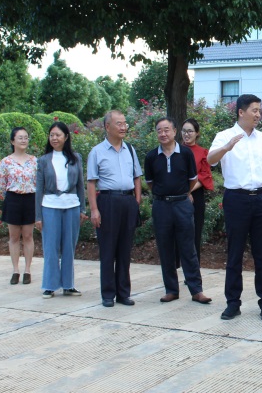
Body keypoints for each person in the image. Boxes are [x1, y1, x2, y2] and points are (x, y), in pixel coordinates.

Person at [208, 94, 262, 322]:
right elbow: (210, 160)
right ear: (241, 112)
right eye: (254, 110)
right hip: (236, 199)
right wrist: (227, 147)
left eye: (259, 110)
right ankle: (233, 303)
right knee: (235, 253)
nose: (258, 115)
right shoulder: (224, 136)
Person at [146, 117, 212, 305]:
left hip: (182, 204)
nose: (163, 134)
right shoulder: (151, 156)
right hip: (161, 206)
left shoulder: (185, 154)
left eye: (166, 129)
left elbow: (193, 180)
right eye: (159, 130)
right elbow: (150, 183)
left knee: (188, 248)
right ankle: (171, 290)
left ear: (174, 131)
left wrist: (182, 194)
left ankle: (196, 290)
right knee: (165, 248)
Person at [86, 110, 143, 308]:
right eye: (119, 123)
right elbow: (91, 183)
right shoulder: (97, 152)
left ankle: (123, 293)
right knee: (108, 250)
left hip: (127, 201)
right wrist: (94, 210)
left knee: (125, 250)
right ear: (107, 126)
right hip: (107, 201)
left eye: (125, 123)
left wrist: (136, 201)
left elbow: (137, 177)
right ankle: (108, 294)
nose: (123, 127)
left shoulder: (130, 149)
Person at [34, 122, 86, 298]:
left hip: (71, 206)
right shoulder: (43, 160)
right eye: (52, 135)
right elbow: (39, 189)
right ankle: (49, 285)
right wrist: (38, 216)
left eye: (58, 135)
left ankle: (68, 285)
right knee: (50, 247)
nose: (54, 138)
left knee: (69, 247)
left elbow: (80, 185)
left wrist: (83, 209)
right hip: (50, 206)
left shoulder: (75, 158)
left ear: (66, 137)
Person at [0, 127, 37, 286]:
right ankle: (15, 270)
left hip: (30, 198)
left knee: (28, 235)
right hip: (13, 199)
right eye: (20, 137)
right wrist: (9, 198)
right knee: (13, 237)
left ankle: (27, 270)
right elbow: (1, 185)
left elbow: (38, 182)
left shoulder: (34, 161)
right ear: (12, 141)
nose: (23, 140)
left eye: (26, 137)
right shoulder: (6, 162)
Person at [181, 118, 214, 262]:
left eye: (190, 131)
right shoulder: (175, 150)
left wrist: (188, 191)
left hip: (195, 195)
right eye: (184, 131)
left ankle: (194, 267)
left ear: (197, 133)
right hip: (177, 196)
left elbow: (205, 176)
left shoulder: (202, 152)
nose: (186, 134)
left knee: (195, 232)